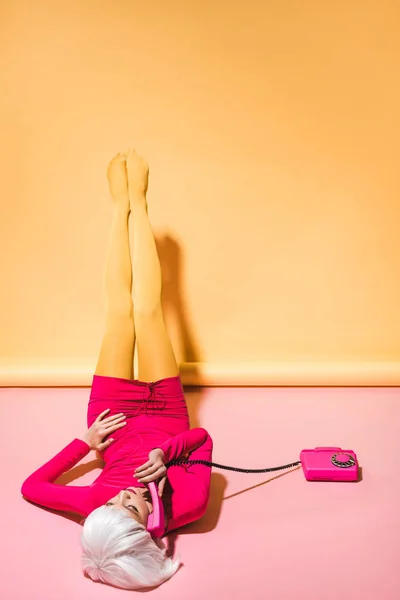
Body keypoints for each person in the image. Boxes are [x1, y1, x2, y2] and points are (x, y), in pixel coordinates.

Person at [21, 149, 213, 590]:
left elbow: (31, 488)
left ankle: (121, 208)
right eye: (128, 507)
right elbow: (201, 439)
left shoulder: (96, 503)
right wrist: (166, 454)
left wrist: (83, 444)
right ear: (150, 535)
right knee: (148, 312)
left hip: (113, 415)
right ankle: (141, 205)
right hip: (168, 414)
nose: (122, 495)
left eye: (111, 507)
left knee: (120, 314)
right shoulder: (189, 507)